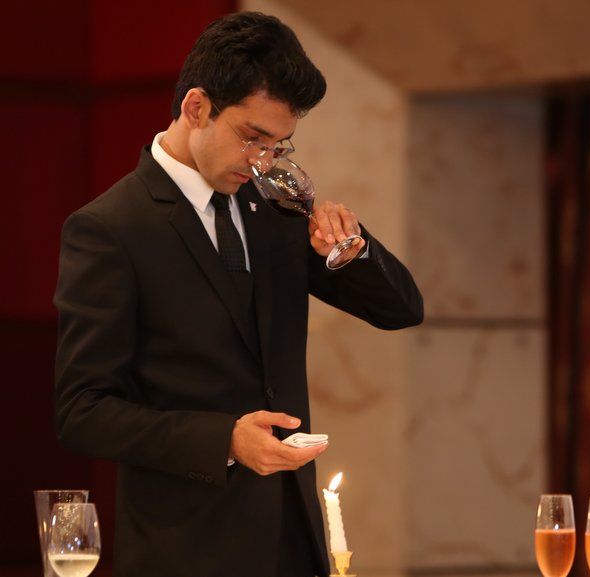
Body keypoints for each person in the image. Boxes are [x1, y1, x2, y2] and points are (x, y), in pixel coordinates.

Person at [52, 11, 423, 577]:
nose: (261, 162)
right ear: (196, 107)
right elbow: (82, 411)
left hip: (295, 541)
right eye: (252, 138)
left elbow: (402, 310)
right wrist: (223, 439)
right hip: (186, 550)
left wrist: (354, 249)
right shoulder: (110, 228)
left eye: (278, 145)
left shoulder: (275, 209)